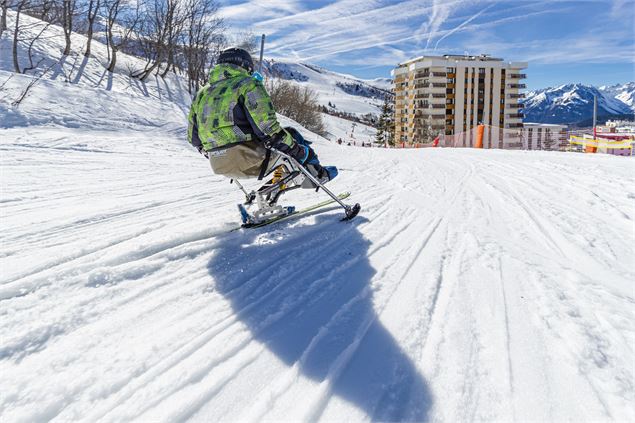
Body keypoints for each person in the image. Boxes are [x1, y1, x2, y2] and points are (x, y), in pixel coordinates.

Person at [187, 47, 337, 186]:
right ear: (246, 66)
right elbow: (267, 128)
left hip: (219, 164)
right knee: (292, 136)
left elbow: (193, 139)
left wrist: (216, 151)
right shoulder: (248, 84)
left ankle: (279, 186)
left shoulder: (201, 94)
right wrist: (299, 151)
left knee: (282, 148)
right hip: (249, 159)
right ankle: (316, 174)